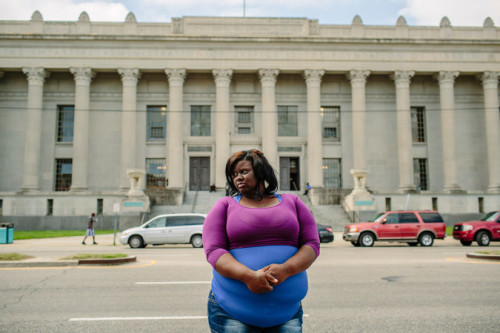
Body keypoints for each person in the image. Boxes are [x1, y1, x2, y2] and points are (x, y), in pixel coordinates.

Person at [203, 149, 320, 332]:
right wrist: (248, 276)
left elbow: (312, 244)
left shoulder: (293, 202)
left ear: (261, 171)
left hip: (287, 313)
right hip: (231, 312)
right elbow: (214, 251)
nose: (238, 178)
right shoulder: (224, 205)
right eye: (234, 174)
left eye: (244, 171)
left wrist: (286, 269)